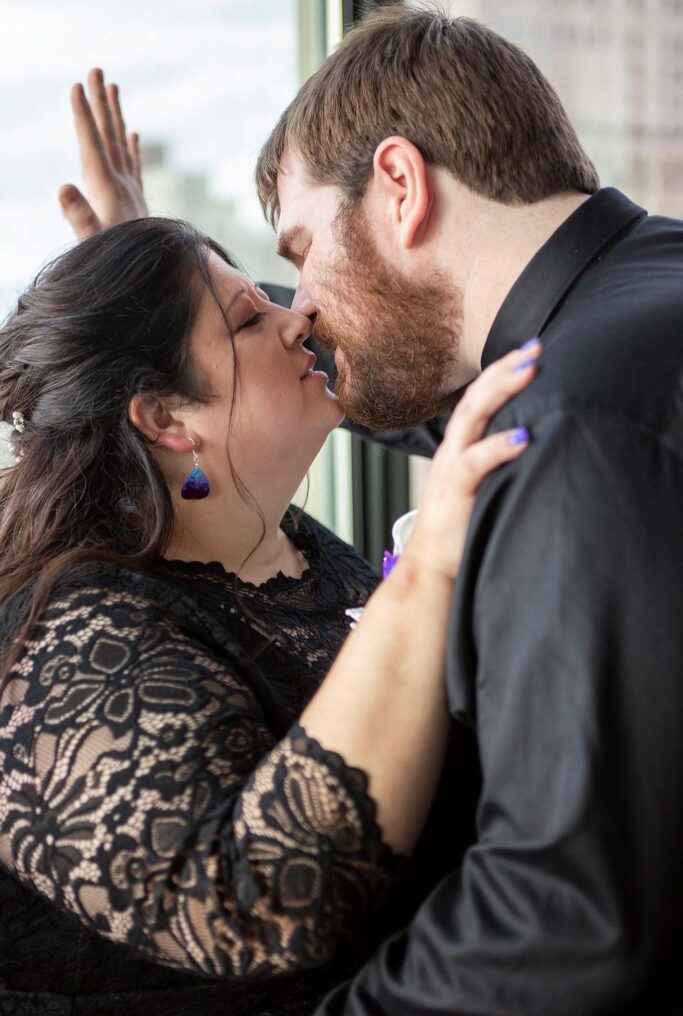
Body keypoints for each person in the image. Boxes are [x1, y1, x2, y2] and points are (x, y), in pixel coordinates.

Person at [56, 3, 683, 1009]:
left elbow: (566, 918)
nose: (299, 306)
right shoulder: (638, 306)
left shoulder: (573, 422)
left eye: (300, 252)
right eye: (264, 305)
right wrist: (163, 313)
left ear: (397, 184)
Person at [0, 211, 540, 1015]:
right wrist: (425, 572)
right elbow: (255, 907)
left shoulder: (285, 544)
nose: (300, 319)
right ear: (166, 418)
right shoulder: (74, 638)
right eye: (250, 319)